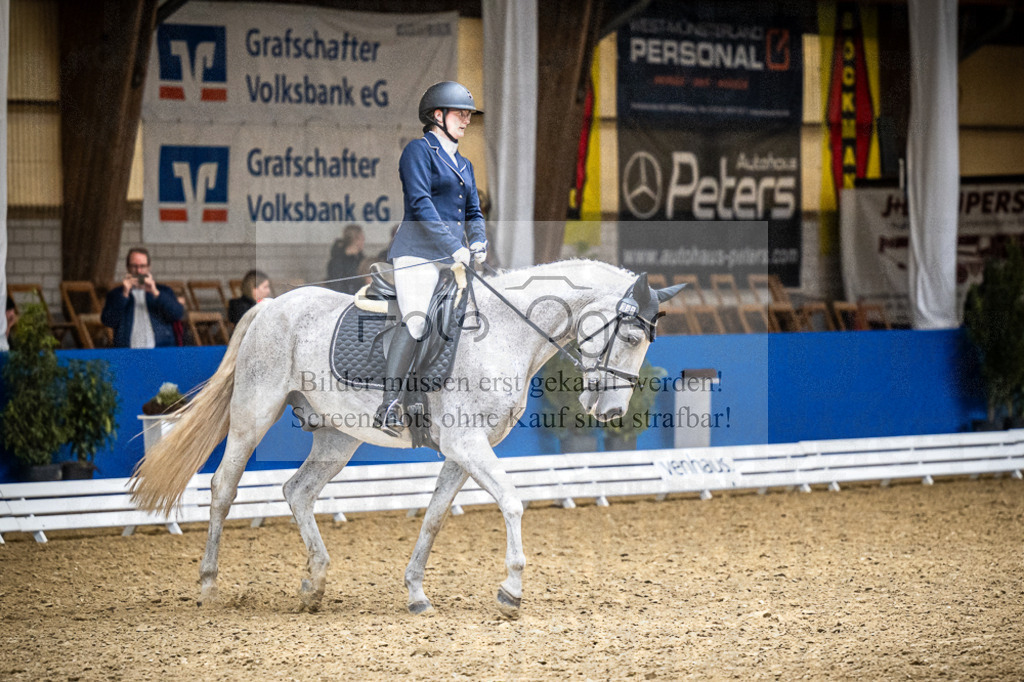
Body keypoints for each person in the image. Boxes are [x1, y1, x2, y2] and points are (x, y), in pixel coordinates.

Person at [374, 80, 487, 435]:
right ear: (437, 115)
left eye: (469, 114)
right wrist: (452, 246)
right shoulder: (418, 151)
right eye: (460, 113)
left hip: (456, 259)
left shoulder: (465, 164)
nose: (467, 120)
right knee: (419, 320)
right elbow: (421, 204)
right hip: (419, 255)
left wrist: (479, 240)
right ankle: (389, 404)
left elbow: (473, 210)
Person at [101, 247, 185, 348]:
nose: (139, 271)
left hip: (160, 350)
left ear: (149, 267)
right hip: (128, 351)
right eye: (134, 266)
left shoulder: (163, 290)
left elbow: (177, 314)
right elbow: (108, 321)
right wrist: (124, 295)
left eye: (142, 266)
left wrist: (155, 293)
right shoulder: (116, 294)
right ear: (128, 268)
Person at [326, 224, 366, 294]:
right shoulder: (337, 261)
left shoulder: (361, 258)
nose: (364, 240)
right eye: (362, 238)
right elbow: (337, 284)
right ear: (356, 240)